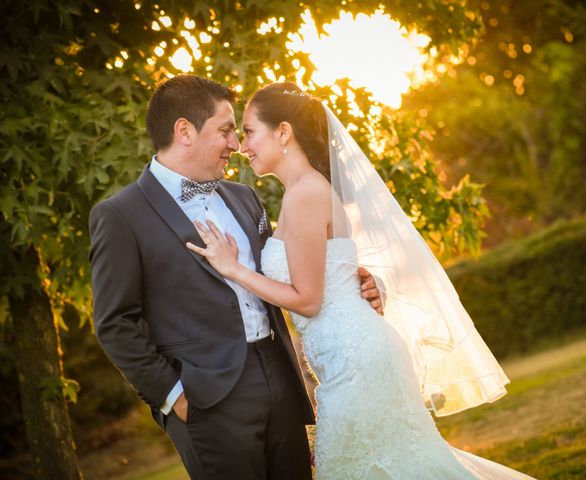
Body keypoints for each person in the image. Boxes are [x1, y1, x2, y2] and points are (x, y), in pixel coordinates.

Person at [188, 81, 536, 479]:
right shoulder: (307, 191)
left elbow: (308, 299)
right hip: (354, 358)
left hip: (356, 363)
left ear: (283, 132)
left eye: (249, 131)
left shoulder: (304, 195)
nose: (242, 145)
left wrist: (234, 269)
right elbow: (329, 275)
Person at [88, 75, 383, 480]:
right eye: (226, 131)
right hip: (205, 398)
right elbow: (114, 323)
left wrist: (351, 281)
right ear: (184, 131)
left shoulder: (243, 196)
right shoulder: (120, 215)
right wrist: (174, 397)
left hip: (279, 375)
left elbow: (288, 273)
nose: (236, 145)